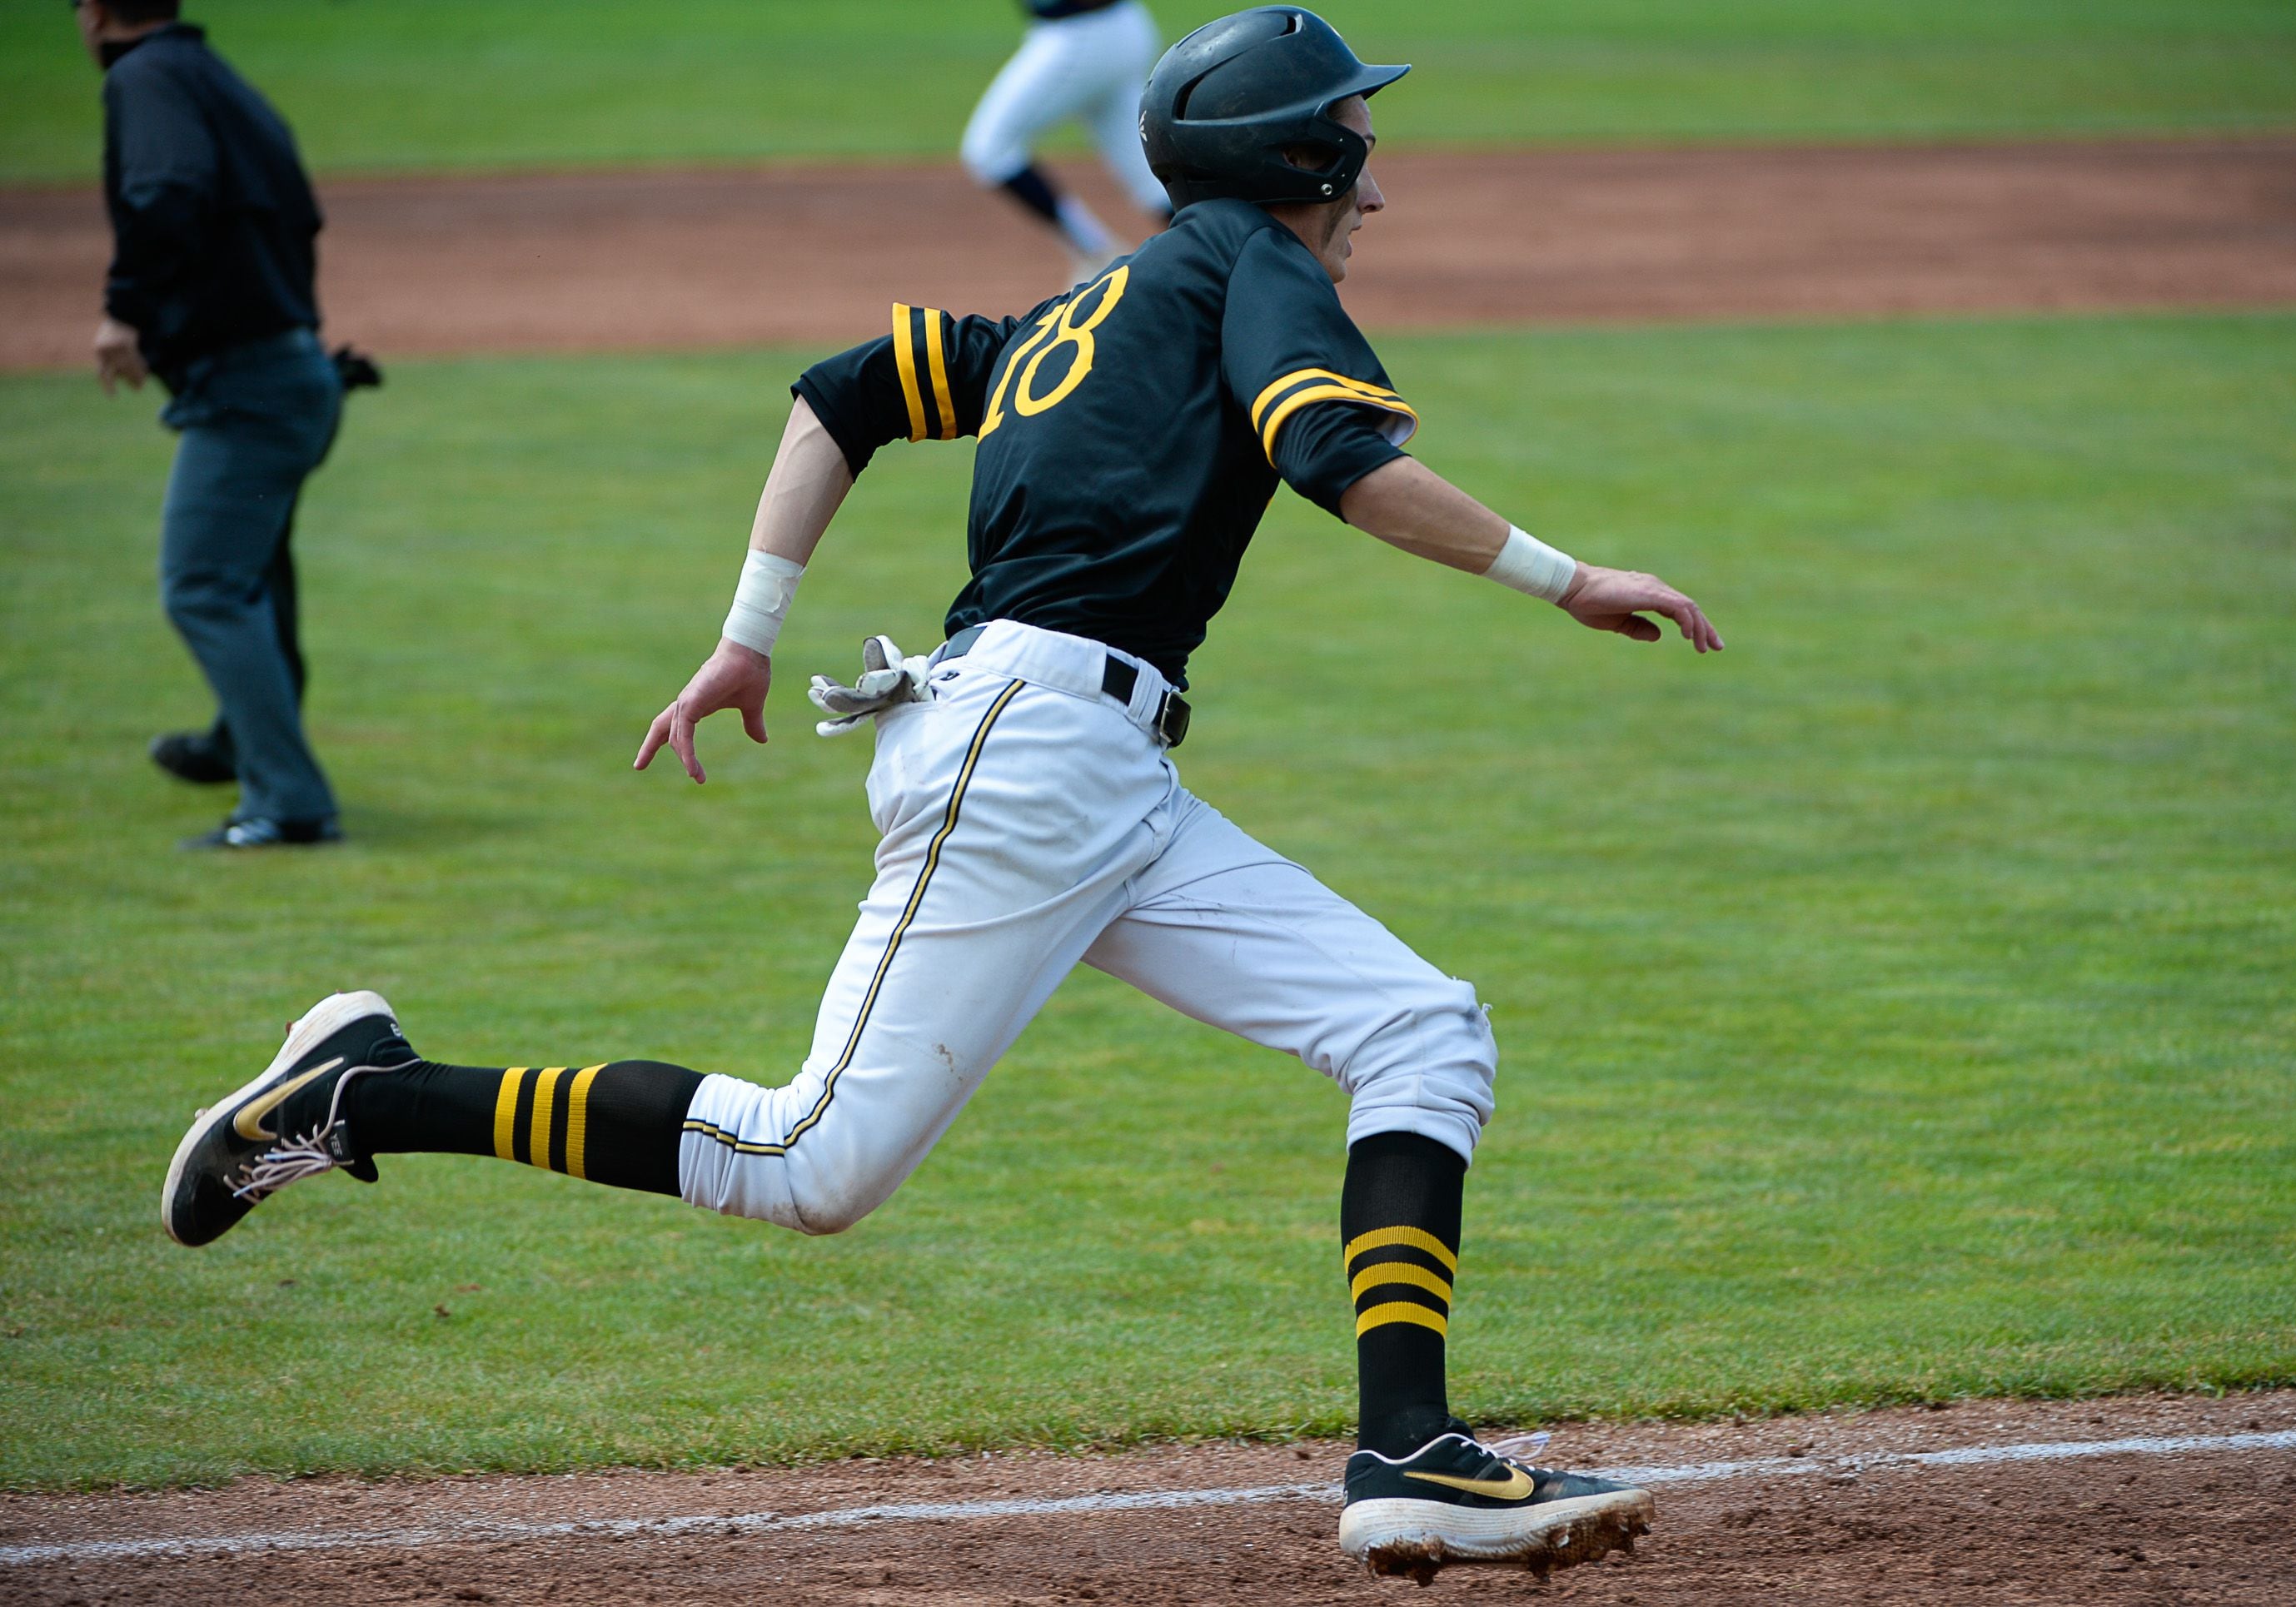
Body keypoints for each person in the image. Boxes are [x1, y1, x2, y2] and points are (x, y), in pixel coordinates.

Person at [159, 7, 1722, 1580]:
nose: (1375, 184)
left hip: (1088, 774)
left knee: (1417, 1030)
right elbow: (1332, 456)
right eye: (1357, 142)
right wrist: (1567, 576)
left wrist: (746, 637)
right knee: (808, 1164)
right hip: (1031, 760)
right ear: (1302, 155)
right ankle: (364, 1090)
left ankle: (1411, 1457)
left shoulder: (1097, 300)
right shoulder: (1262, 269)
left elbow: (846, 389)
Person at [79, 0, 355, 849]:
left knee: (203, 584)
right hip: (293, 367)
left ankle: (288, 801)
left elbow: (167, 187)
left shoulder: (145, 77)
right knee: (254, 577)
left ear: (91, 17)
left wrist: (127, 309)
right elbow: (298, 211)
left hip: (251, 383)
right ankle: (239, 742)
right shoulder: (214, 76)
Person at [961, 0, 1172, 285]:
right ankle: (1224, 258)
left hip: (1081, 34)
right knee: (1150, 178)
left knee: (991, 148)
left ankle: (1097, 253)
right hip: (1118, 28)